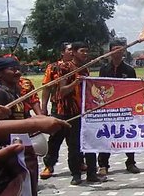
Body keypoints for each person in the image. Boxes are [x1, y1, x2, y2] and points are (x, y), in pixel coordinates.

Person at [40, 41, 104, 185]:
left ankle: (91, 172)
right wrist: (43, 108)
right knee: (58, 140)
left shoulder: (85, 68)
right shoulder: (61, 67)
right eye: (82, 51)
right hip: (63, 111)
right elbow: (58, 90)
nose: (86, 54)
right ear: (72, 52)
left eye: (87, 51)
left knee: (84, 142)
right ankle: (63, 170)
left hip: (82, 111)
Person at [97, 40, 140, 176]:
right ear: (110, 51)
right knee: (106, 136)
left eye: (121, 49)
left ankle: (131, 162)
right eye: (115, 49)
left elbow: (133, 89)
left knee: (128, 136)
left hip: (125, 109)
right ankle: (103, 165)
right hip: (108, 110)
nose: (118, 52)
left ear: (124, 51)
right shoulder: (104, 69)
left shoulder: (129, 70)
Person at [41, 42, 73, 116]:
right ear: (62, 52)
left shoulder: (79, 67)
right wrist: (44, 108)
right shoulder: (53, 67)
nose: (72, 52)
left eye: (73, 50)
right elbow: (46, 88)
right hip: (58, 105)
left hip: (76, 105)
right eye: (69, 50)